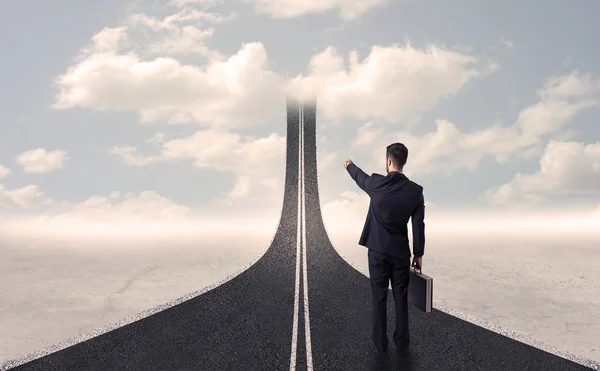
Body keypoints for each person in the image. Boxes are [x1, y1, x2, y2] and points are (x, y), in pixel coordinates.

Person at [343, 142, 425, 358]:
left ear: (388, 161)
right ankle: (402, 343)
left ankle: (380, 344)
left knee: (378, 298)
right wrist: (418, 254)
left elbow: (359, 177)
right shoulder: (416, 191)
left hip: (377, 252)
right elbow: (418, 225)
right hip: (400, 254)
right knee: (401, 298)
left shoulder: (377, 183)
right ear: (403, 162)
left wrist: (349, 165)